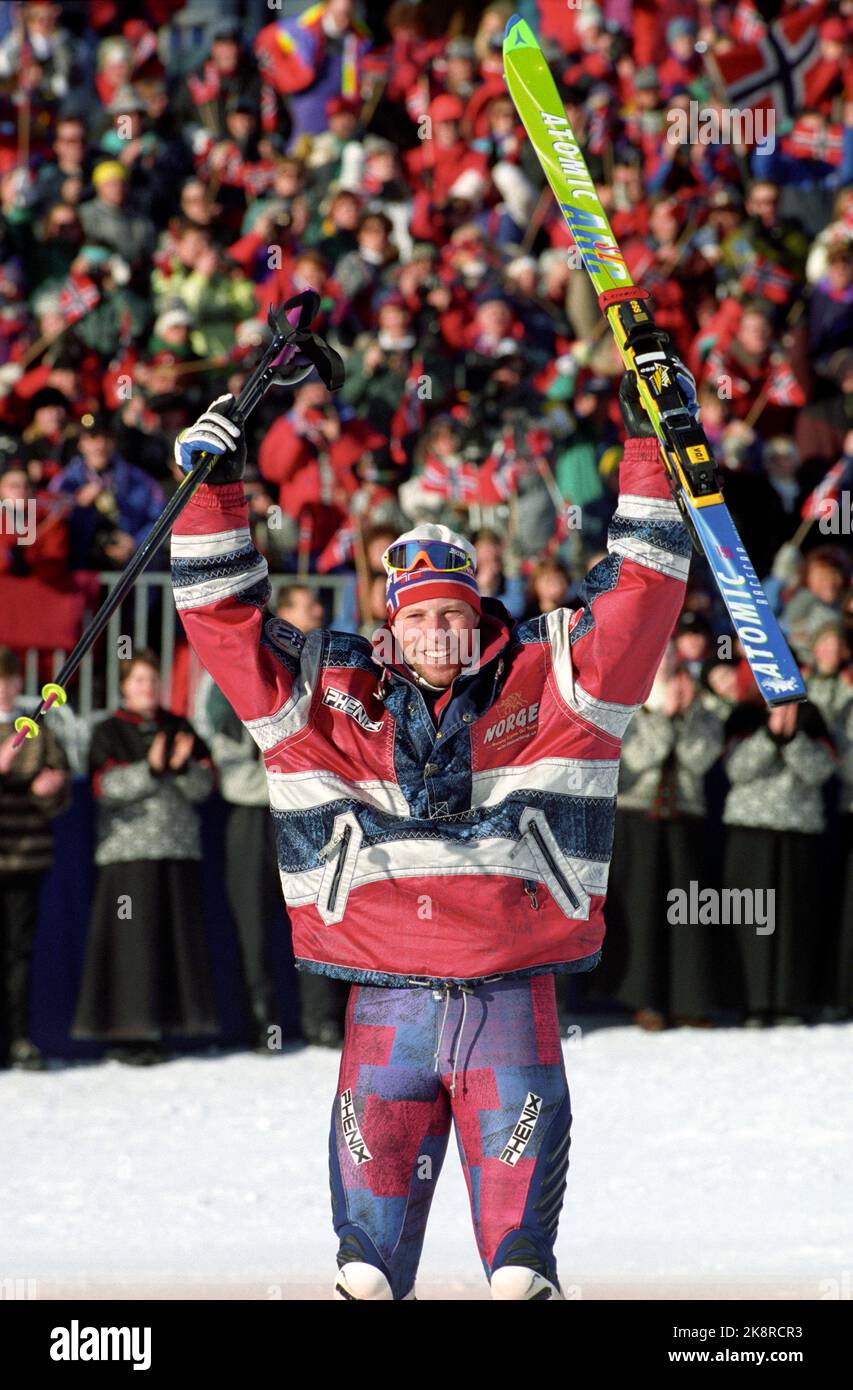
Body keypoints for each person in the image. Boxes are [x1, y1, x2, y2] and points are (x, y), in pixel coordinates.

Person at [170, 355, 694, 1301]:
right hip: (386, 1007)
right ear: (390, 623)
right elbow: (225, 622)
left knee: (520, 1271)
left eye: (452, 615)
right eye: (418, 620)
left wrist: (651, 445)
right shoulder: (330, 690)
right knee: (365, 1268)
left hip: (508, 999)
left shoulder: (556, 676)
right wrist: (213, 491)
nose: (434, 635)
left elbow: (641, 592)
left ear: (479, 614)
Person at [71, 650, 218, 1063]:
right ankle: (127, 1034)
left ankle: (168, 1027)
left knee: (171, 943)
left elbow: (204, 785)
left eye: (152, 680)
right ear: (123, 686)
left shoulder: (179, 725)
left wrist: (179, 768)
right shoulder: (108, 730)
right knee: (130, 945)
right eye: (138, 681)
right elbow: (105, 789)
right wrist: (152, 769)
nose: (146, 689)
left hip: (178, 850)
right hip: (127, 854)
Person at [0, 647, 70, 1069]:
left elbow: (59, 791)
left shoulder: (39, 730)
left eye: (10, 679)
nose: (4, 687)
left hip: (27, 856)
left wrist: (50, 790)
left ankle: (20, 1039)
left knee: (19, 952)